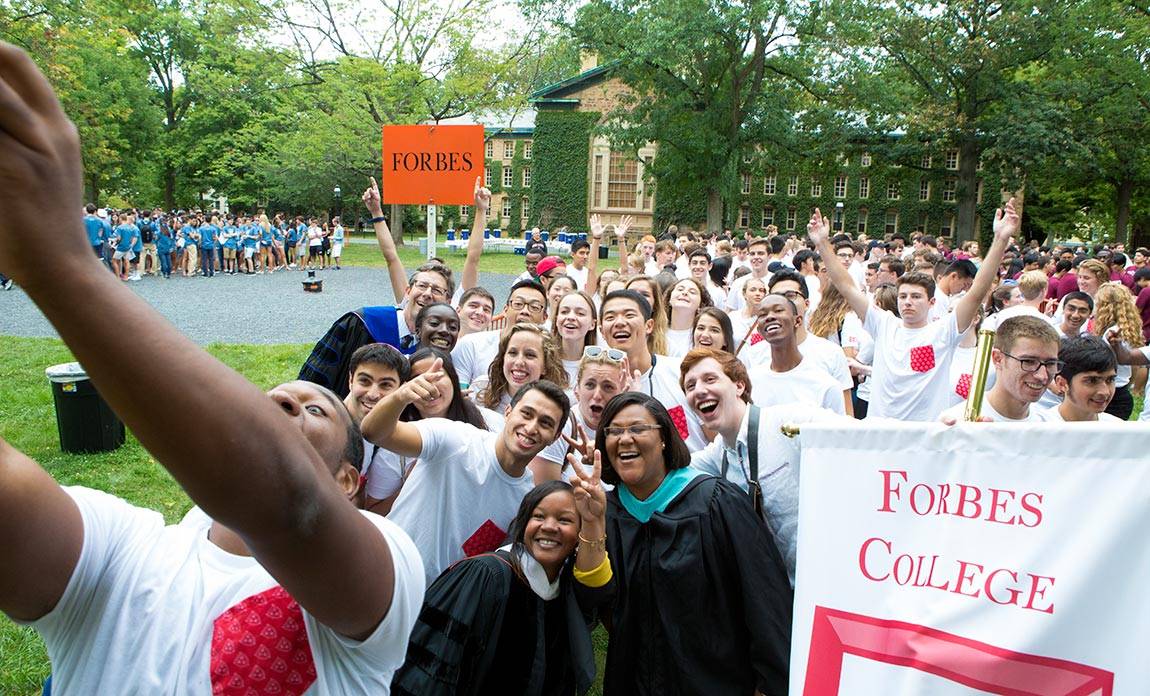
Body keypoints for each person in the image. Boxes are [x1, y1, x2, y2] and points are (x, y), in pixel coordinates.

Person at [0, 43, 424, 692]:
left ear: (347, 480)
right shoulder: (121, 546)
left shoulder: (387, 572)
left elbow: (290, 505)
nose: (285, 403)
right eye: (272, 400)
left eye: (314, 408)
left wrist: (57, 263)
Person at [587, 392, 792, 695]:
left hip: (715, 681)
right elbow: (594, 602)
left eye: (638, 428)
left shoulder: (715, 502)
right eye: (614, 431)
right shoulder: (606, 513)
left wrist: (770, 683)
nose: (625, 439)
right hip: (632, 682)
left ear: (664, 439)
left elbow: (762, 597)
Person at [392, 473, 610, 696]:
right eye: (538, 516)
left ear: (579, 535)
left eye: (564, 520)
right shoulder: (484, 575)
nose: (549, 526)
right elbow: (433, 663)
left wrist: (594, 520)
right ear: (523, 524)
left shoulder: (564, 590)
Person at [811, 200, 1016, 421]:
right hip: (881, 431)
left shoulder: (944, 331)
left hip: (926, 434)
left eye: (916, 297)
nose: (908, 302)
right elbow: (846, 285)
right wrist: (822, 243)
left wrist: (1000, 239)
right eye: (903, 296)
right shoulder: (883, 324)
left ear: (931, 302)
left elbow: (976, 292)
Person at [361, 367, 570, 584]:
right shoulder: (455, 438)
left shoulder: (526, 500)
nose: (532, 427)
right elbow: (374, 432)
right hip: (383, 573)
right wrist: (400, 397)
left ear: (555, 437)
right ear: (508, 412)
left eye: (545, 423)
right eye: (526, 414)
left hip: (436, 600)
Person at [680, 348, 838, 583]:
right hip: (779, 588)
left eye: (710, 379)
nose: (699, 390)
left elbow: (860, 437)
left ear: (739, 386)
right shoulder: (717, 454)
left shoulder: (790, 421)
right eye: (690, 386)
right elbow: (667, 471)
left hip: (829, 578)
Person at [598, 289, 708, 450]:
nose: (619, 322)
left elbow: (716, 437)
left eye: (629, 315)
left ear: (649, 325)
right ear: (602, 331)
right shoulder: (599, 390)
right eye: (610, 317)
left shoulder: (682, 372)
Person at [940, 316, 1061, 422]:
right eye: (1028, 362)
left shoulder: (1052, 427)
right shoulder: (959, 422)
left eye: (1050, 363)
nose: (1042, 376)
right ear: (998, 359)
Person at [341, 344, 411, 515]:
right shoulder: (328, 430)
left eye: (385, 385)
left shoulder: (375, 431)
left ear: (401, 388)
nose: (373, 394)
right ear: (350, 380)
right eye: (364, 381)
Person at [747, 294, 847, 414]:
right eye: (763, 314)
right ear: (759, 330)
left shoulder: (826, 385)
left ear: (798, 321)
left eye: (778, 310)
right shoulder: (750, 381)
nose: (770, 317)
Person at [452, 279, 548, 388]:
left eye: (534, 307)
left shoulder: (547, 353)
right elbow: (459, 392)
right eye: (518, 304)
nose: (525, 311)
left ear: (544, 317)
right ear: (505, 310)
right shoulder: (471, 344)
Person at [480, 323, 569, 413]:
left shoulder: (556, 410)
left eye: (530, 355)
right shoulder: (480, 391)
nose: (519, 362)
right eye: (513, 353)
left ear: (545, 366)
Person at [1090, 283, 1145, 420]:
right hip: (1122, 389)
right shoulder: (1128, 329)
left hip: (1112, 395)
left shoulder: (1112, 334)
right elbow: (1134, 367)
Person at [1043, 335, 1122, 422]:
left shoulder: (1118, 427)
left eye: (1110, 380)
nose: (1105, 392)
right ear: (1062, 384)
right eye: (1092, 381)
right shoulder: (1041, 426)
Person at [552, 291, 599, 385]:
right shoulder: (542, 361)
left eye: (580, 313)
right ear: (556, 320)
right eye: (564, 312)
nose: (571, 317)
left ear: (592, 324)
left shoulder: (601, 366)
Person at [664, 278, 712, 357]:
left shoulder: (703, 336)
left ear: (701, 305)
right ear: (669, 299)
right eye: (680, 289)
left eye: (692, 292)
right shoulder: (655, 332)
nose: (685, 293)